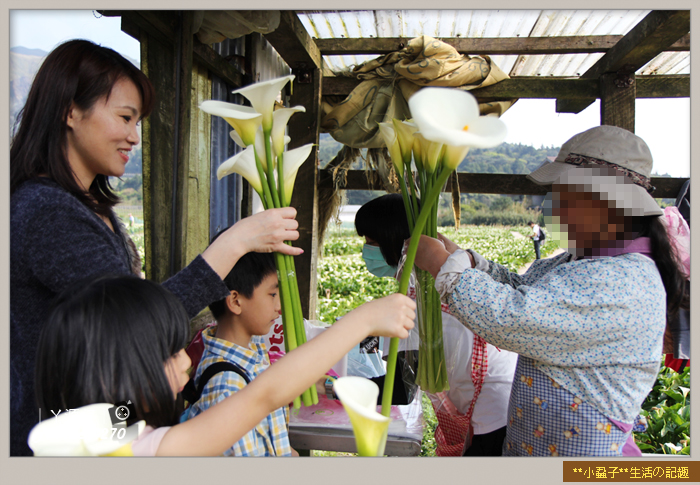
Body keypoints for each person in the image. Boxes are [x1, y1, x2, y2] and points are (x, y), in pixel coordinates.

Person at [10, 39, 301, 456]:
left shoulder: (86, 207)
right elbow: (132, 325)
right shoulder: (47, 213)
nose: (134, 137)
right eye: (125, 118)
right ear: (70, 111)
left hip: (100, 429)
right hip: (68, 441)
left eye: (137, 122)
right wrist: (236, 243)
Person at [413, 125, 688, 456]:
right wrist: (468, 262)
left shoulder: (622, 279)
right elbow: (525, 289)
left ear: (604, 203)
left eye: (564, 198)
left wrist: (445, 269)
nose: (554, 210)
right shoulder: (582, 262)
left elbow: (513, 317)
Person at [33, 274, 415, 456]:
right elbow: (262, 396)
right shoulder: (145, 452)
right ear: (113, 370)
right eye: (168, 351)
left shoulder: (83, 434)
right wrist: (362, 320)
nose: (185, 358)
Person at [355, 194, 518, 456]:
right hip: (498, 396)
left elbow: (401, 387)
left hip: (494, 403)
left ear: (394, 238)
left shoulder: (414, 294)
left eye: (371, 242)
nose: (366, 250)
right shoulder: (444, 273)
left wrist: (333, 386)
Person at [182, 247, 295, 456]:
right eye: (272, 294)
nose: (279, 306)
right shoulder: (228, 389)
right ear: (235, 301)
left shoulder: (252, 352)